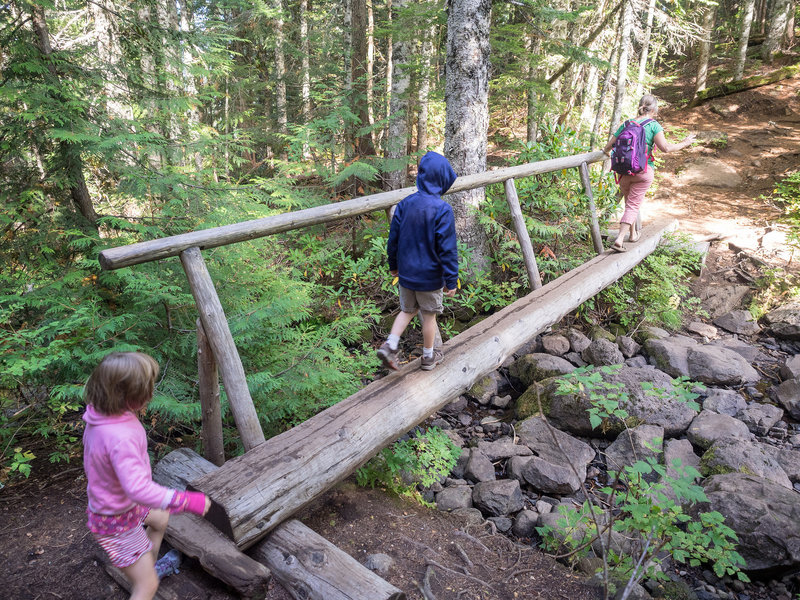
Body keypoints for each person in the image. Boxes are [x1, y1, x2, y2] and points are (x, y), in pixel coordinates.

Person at [83, 352, 211, 600]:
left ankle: (146, 567)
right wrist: (186, 501)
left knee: (160, 519)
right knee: (147, 587)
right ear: (132, 397)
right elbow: (138, 489)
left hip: (117, 504)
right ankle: (145, 578)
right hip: (116, 521)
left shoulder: (101, 414)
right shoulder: (120, 437)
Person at [377, 151, 459, 372]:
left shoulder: (404, 205)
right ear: (442, 181)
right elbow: (447, 249)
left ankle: (390, 344)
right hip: (430, 277)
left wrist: (393, 265)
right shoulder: (443, 210)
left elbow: (392, 240)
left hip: (406, 274)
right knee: (429, 316)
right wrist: (451, 280)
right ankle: (429, 357)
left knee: (408, 310)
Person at [603, 94, 696, 252]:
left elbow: (609, 146)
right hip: (643, 172)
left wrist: (604, 153)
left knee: (629, 204)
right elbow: (665, 148)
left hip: (624, 172)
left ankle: (632, 235)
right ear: (654, 109)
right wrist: (685, 143)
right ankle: (619, 239)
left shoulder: (626, 123)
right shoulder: (654, 125)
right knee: (632, 206)